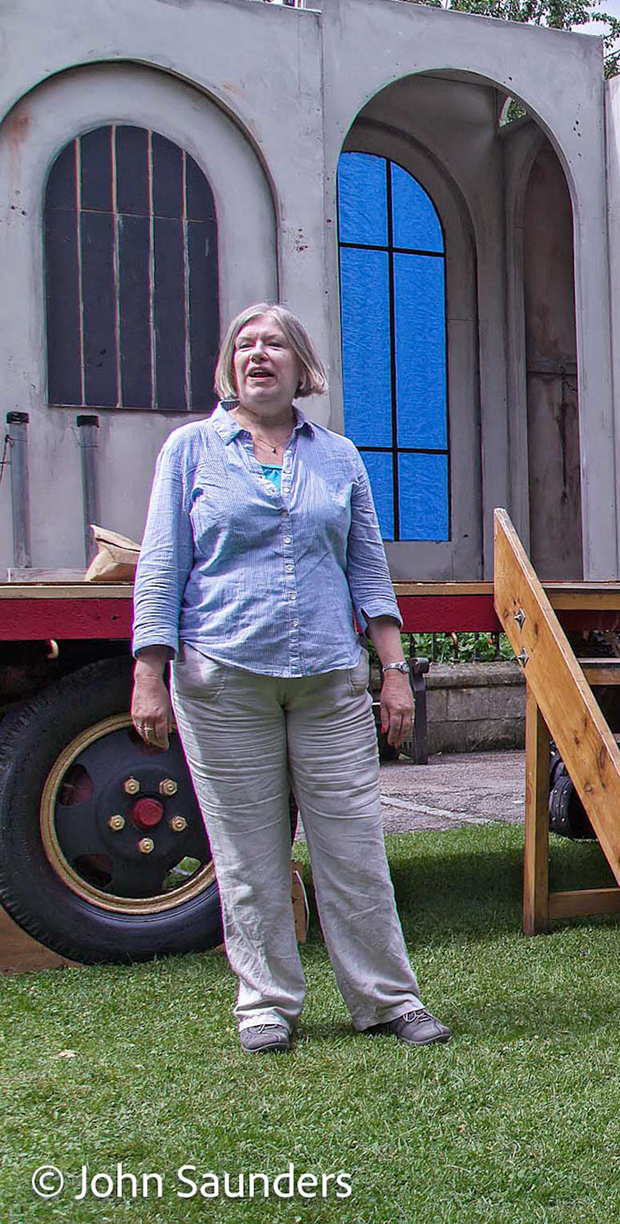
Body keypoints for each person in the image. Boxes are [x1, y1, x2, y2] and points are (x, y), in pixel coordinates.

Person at [131, 302, 450, 1054]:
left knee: (354, 847)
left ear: (301, 366)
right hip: (222, 679)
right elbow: (160, 563)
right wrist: (150, 670)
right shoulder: (189, 451)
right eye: (245, 343)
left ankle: (387, 998)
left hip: (329, 681)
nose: (258, 353)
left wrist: (394, 669)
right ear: (229, 365)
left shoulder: (337, 456)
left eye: (274, 342)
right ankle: (265, 1004)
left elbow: (368, 567)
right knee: (248, 852)